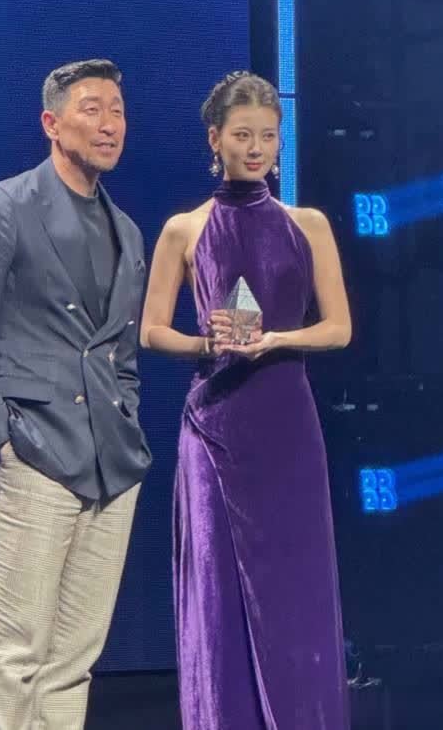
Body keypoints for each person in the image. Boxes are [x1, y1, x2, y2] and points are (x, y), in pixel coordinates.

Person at [0, 59, 151, 730]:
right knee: (17, 652)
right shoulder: (3, 208)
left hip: (110, 460)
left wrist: (127, 417)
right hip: (33, 451)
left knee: (72, 660)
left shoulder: (128, 232)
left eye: (117, 110)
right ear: (51, 124)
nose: (109, 124)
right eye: (91, 108)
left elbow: (121, 352)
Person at [141, 71, 351, 729]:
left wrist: (278, 339)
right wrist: (206, 343)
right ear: (215, 139)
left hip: (287, 422)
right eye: (242, 136)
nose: (256, 148)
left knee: (296, 587)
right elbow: (151, 330)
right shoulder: (183, 228)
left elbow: (339, 327)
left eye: (267, 136)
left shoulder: (307, 224)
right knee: (215, 588)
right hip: (214, 425)